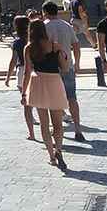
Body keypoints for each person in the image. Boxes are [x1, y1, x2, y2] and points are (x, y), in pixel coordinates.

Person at [22, 18, 70, 169]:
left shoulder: (29, 48)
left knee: (44, 124)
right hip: (54, 82)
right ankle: (59, 149)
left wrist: (24, 93)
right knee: (58, 124)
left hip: (38, 83)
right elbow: (65, 68)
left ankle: (51, 156)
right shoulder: (54, 45)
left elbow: (27, 72)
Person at [43, 0, 86, 142]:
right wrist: (77, 63)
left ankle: (57, 130)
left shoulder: (44, 27)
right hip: (68, 66)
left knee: (52, 100)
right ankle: (78, 129)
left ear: (45, 12)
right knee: (72, 97)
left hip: (50, 68)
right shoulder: (67, 26)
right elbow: (76, 45)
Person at [5, 15, 36, 140]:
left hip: (22, 71)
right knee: (41, 103)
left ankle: (31, 133)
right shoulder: (34, 40)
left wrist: (8, 76)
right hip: (36, 70)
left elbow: (13, 60)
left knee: (26, 104)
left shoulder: (17, 42)